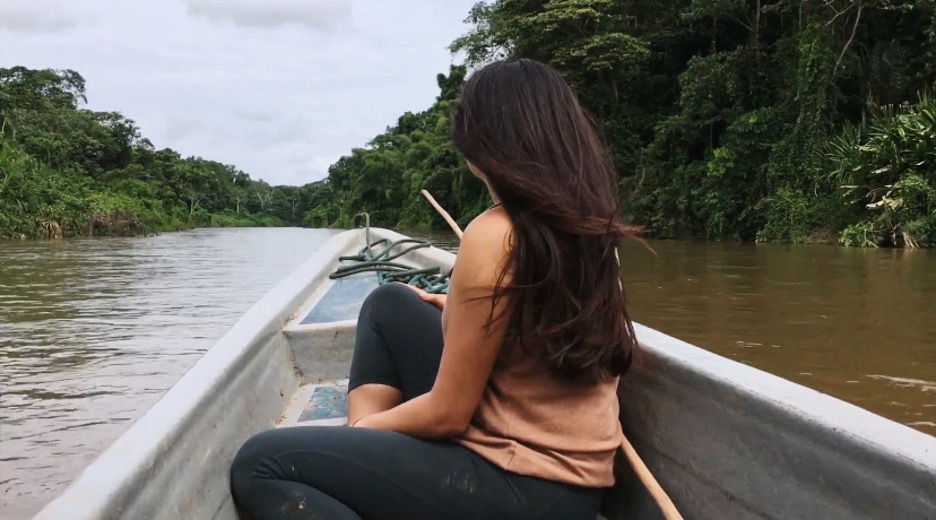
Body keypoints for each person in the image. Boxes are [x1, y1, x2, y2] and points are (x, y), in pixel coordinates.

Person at [229, 58, 641, 520]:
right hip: (569, 487)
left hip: (524, 489)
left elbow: (447, 415)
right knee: (390, 303)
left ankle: (356, 448)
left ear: (480, 147)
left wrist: (368, 428)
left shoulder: (493, 234)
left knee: (261, 462)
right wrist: (458, 308)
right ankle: (359, 456)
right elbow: (543, 320)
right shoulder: (593, 228)